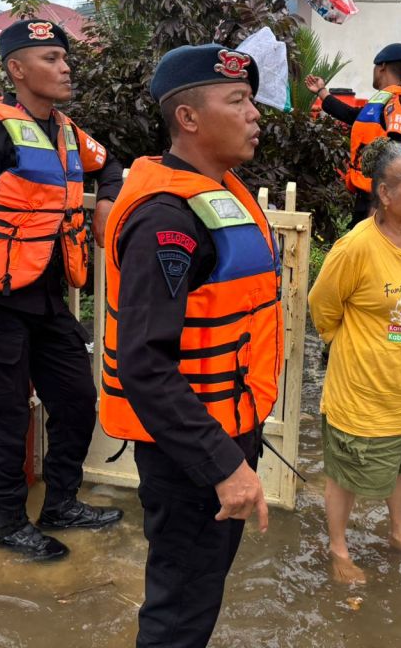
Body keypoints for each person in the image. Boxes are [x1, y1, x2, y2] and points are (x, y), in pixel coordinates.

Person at [98, 43, 283, 647]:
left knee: (198, 588)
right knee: (180, 604)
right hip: (192, 448)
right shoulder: (167, 219)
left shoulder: (217, 190)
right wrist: (224, 466)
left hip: (222, 429)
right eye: (237, 100)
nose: (254, 113)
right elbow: (144, 364)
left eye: (251, 99)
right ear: (189, 118)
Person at [0, 19, 124, 561]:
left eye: (65, 57)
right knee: (5, 417)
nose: (65, 66)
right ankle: (10, 524)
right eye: (50, 58)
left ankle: (62, 502)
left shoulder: (65, 130)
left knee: (76, 400)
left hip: (44, 298)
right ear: (16, 69)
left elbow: (109, 165)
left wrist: (108, 201)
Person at [308, 137, 401, 585]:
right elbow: (322, 307)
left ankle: (399, 534)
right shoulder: (356, 247)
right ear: (386, 194)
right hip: (364, 390)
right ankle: (339, 549)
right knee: (346, 472)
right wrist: (350, 345)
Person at [305, 42, 401, 228]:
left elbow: (397, 153)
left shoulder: (397, 102)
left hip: (379, 200)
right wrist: (322, 92)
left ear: (381, 66)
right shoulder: (382, 99)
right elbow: (352, 115)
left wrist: (379, 203)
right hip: (369, 194)